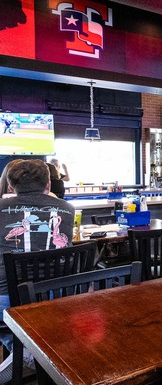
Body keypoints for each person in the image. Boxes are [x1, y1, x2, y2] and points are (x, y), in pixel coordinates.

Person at [0, 159, 75, 380]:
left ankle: (25, 354)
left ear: (11, 187)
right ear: (49, 185)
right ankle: (32, 353)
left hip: (8, 302)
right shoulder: (68, 209)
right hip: (57, 300)